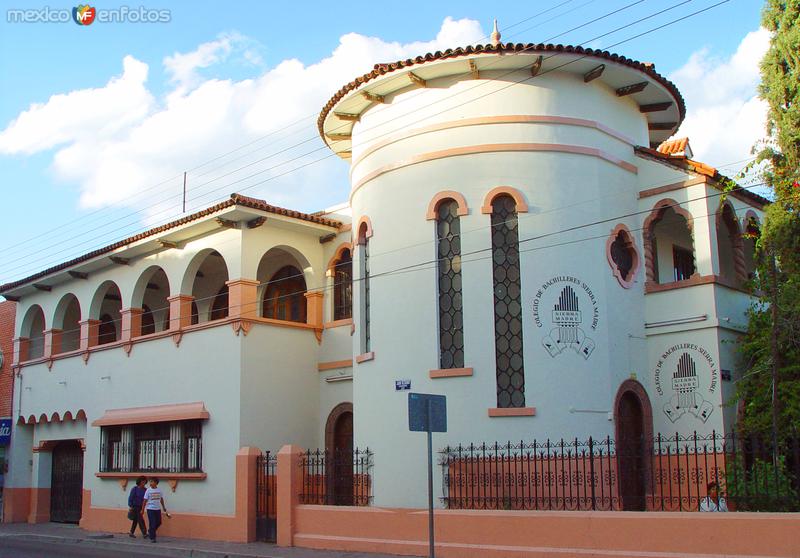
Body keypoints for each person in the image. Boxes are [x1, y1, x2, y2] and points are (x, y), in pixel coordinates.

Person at [141, 477, 171, 542]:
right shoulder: (148, 490)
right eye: (150, 482)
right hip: (150, 509)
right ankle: (153, 537)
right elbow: (145, 500)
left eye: (152, 482)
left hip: (157, 509)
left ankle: (151, 531)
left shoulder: (159, 490)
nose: (150, 483)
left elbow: (161, 499)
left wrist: (163, 507)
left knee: (159, 522)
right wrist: (142, 509)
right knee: (152, 523)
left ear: (156, 483)